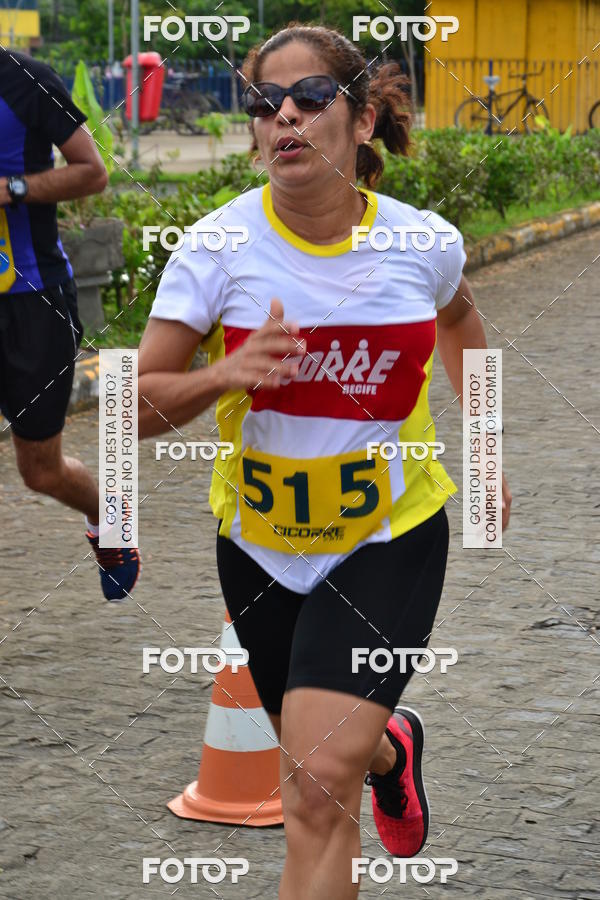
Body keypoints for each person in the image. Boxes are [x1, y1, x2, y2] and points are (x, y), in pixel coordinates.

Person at [137, 23, 512, 898]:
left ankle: (364, 752)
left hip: (387, 538)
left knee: (310, 793)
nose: (285, 119)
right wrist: (224, 374)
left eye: (310, 98)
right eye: (267, 104)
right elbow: (135, 404)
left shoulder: (422, 244)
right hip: (261, 550)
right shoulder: (215, 249)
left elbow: (460, 323)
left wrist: (487, 444)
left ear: (364, 120)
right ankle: (391, 746)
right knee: (330, 761)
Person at [0, 49, 140, 601]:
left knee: (41, 470)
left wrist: (12, 189)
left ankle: (109, 514)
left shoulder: (25, 78)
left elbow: (92, 172)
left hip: (34, 301)